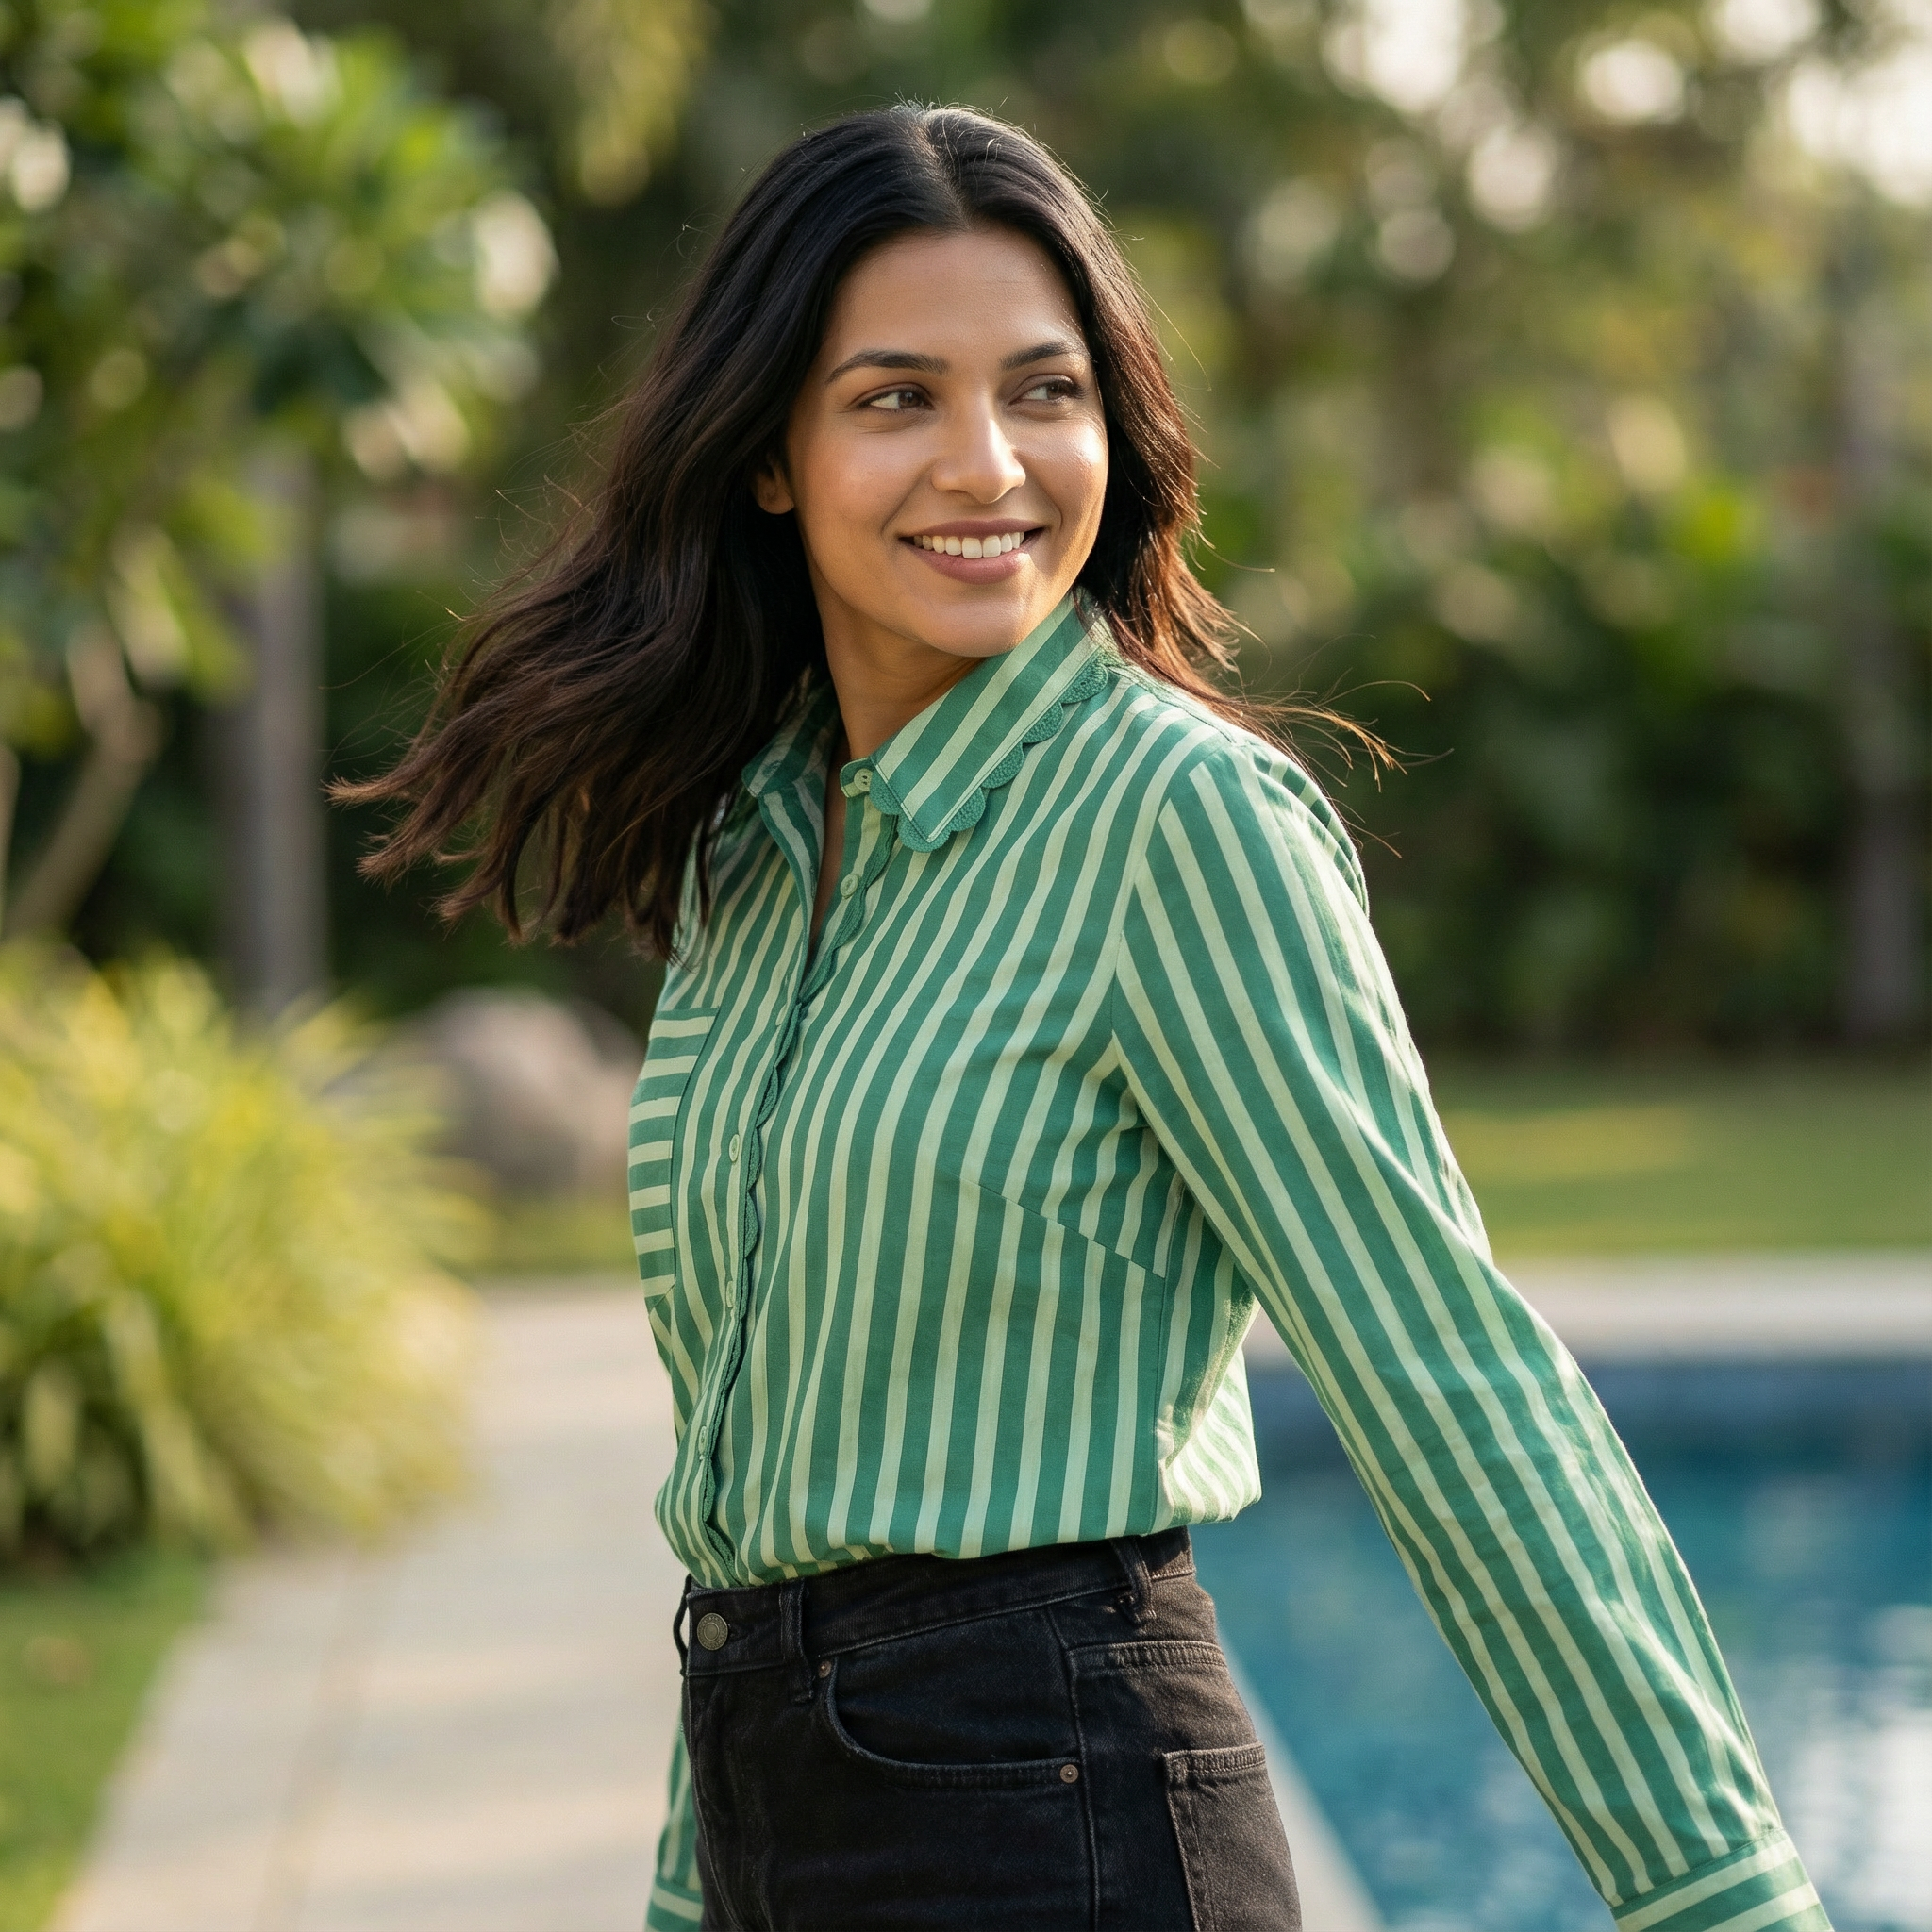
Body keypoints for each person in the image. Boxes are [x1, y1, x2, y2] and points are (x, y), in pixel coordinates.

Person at [350, 105, 1829, 1932]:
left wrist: (1722, 1896)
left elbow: (1448, 1381)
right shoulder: (758, 843)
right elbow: (764, 1477)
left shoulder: (1175, 822)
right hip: (780, 1818)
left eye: (1044, 392)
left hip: (1061, 1828)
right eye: (897, 397)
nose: (988, 463)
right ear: (767, 455)